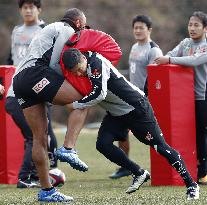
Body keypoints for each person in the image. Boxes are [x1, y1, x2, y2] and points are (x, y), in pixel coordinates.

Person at [60, 47, 199, 200]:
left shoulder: (96, 62)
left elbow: (100, 93)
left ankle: (192, 185)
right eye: (75, 73)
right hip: (116, 113)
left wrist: (75, 105)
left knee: (160, 147)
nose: (79, 74)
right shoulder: (84, 64)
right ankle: (138, 172)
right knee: (102, 144)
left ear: (83, 59)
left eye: (79, 69)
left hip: (136, 107)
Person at [12, 8, 89, 203]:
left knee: (40, 138)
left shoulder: (49, 28)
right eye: (83, 26)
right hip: (35, 74)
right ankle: (68, 148)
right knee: (86, 97)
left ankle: (47, 191)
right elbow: (55, 63)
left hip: (19, 80)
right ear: (78, 23)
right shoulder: (65, 29)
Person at [5, 0, 58, 188]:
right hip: (20, 89)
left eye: (31, 7)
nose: (28, 10)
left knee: (46, 135)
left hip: (38, 88)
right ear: (20, 10)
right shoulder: (16, 31)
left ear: (39, 10)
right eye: (24, 7)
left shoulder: (46, 30)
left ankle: (47, 172)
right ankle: (28, 176)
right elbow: (11, 59)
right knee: (38, 136)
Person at [154, 11, 207, 186]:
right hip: (183, 98)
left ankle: (204, 172)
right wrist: (164, 59)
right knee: (188, 135)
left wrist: (169, 59)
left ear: (205, 29)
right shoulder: (185, 43)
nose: (192, 28)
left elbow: (194, 60)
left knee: (201, 134)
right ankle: (192, 168)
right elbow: (171, 53)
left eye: (196, 25)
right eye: (190, 24)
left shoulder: (205, 46)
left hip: (202, 97)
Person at [110, 14, 163, 179]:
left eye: (141, 27)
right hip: (129, 96)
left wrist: (148, 96)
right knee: (121, 131)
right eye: (136, 28)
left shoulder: (153, 50)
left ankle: (163, 167)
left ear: (149, 30)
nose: (138, 30)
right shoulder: (134, 47)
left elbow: (157, 77)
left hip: (143, 99)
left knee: (151, 135)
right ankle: (124, 166)